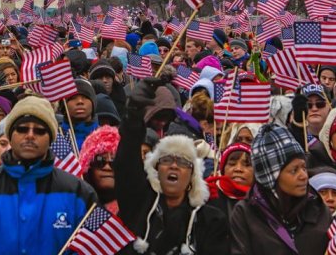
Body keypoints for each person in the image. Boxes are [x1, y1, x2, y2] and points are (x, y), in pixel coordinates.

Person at [0, 96, 97, 255]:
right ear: (10, 134)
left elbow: (92, 245)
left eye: (39, 130)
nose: (30, 135)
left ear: (51, 138)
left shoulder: (79, 193)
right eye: (22, 129)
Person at [115, 78, 228, 254]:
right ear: (156, 170)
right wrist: (133, 116)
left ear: (193, 175)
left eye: (183, 162)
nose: (174, 165)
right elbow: (126, 166)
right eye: (166, 160)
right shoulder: (139, 206)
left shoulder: (211, 220)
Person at [232, 124, 332, 254]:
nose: (303, 176)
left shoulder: (319, 209)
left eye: (304, 167)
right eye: (294, 170)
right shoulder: (246, 213)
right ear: (271, 178)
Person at [206, 143, 254, 223]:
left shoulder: (264, 201)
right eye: (232, 164)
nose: (238, 169)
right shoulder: (209, 195)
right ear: (223, 170)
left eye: (247, 165)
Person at [79, 125, 120, 214]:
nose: (107, 167)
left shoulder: (136, 208)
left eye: (114, 162)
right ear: (88, 167)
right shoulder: (77, 205)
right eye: (100, 161)